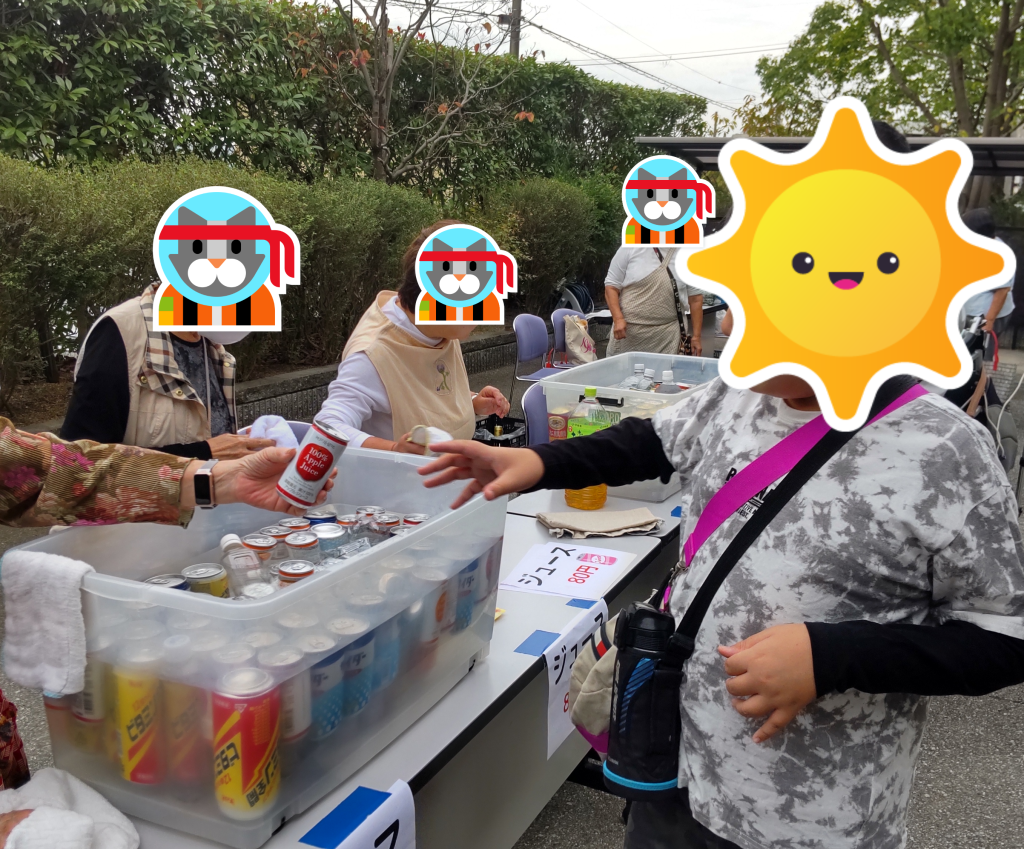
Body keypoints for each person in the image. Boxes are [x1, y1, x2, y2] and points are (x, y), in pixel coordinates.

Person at [419, 373, 1024, 849]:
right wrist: (541, 463)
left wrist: (832, 656)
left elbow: (1005, 635)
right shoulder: (738, 391)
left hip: (813, 817)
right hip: (673, 768)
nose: (735, 330)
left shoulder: (945, 449)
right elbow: (653, 440)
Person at [316, 221, 509, 454]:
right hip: (397, 476)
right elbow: (328, 426)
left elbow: (425, 391)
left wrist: (472, 401)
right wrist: (394, 449)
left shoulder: (439, 328)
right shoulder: (374, 354)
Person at [60, 282, 272, 461]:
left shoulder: (209, 343)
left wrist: (241, 446)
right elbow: (77, 465)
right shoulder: (120, 333)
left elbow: (216, 441)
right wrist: (203, 454)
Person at [1, 417, 332, 527]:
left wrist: (224, 479)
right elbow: (81, 446)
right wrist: (205, 455)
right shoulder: (119, 333)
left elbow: (60, 472)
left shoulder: (218, 351)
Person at [604, 245, 705, 357]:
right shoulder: (630, 248)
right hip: (628, 335)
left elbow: (696, 299)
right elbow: (611, 287)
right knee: (623, 368)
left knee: (667, 369)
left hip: (669, 338)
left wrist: (697, 337)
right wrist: (618, 319)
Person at [962, 207, 1015, 359]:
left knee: (975, 356)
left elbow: (1002, 291)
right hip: (970, 312)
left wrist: (989, 321)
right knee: (966, 354)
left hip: (985, 316)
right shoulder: (978, 246)